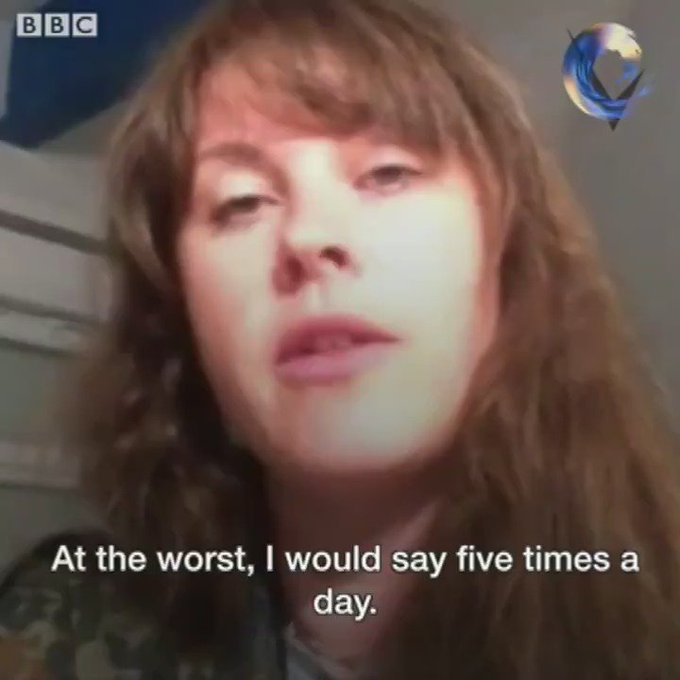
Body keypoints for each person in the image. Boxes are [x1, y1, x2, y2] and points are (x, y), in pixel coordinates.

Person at [1, 0, 679, 677]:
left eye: (389, 173)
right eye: (242, 202)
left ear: (507, 262)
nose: (308, 235)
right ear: (185, 326)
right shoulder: (59, 631)